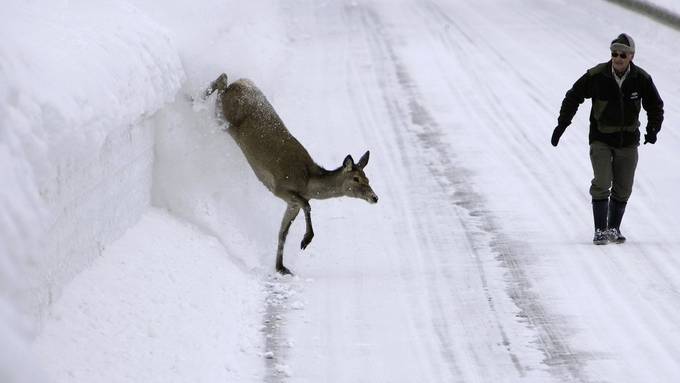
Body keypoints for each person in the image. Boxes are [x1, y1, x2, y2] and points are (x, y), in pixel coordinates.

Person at [551, 33, 664, 245]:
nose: (618, 58)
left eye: (622, 54)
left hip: (628, 140)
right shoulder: (597, 75)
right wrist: (562, 124)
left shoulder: (641, 79)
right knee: (602, 182)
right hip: (601, 139)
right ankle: (600, 230)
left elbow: (655, 105)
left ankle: (613, 228)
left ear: (631, 56)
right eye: (614, 53)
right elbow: (573, 96)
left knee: (624, 188)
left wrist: (653, 129)